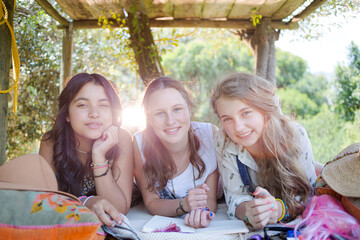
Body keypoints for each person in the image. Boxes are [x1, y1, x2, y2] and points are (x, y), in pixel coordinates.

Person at [211, 72, 317, 229]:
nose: (238, 127)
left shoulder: (295, 135)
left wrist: (280, 210)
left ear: (264, 110)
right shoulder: (223, 139)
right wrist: (249, 211)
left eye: (245, 113)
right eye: (227, 119)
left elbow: (311, 195)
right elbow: (234, 197)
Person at [39, 73, 133, 226]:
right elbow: (44, 201)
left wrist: (99, 156)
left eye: (103, 105)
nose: (94, 114)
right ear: (67, 114)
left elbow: (119, 210)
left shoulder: (122, 138)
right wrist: (85, 202)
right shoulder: (51, 142)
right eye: (82, 105)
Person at [133, 76, 219, 228]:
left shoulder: (210, 135)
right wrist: (184, 204)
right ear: (149, 118)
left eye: (177, 109)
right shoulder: (139, 143)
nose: (170, 121)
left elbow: (210, 198)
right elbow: (152, 202)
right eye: (159, 113)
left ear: (189, 109)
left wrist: (202, 213)